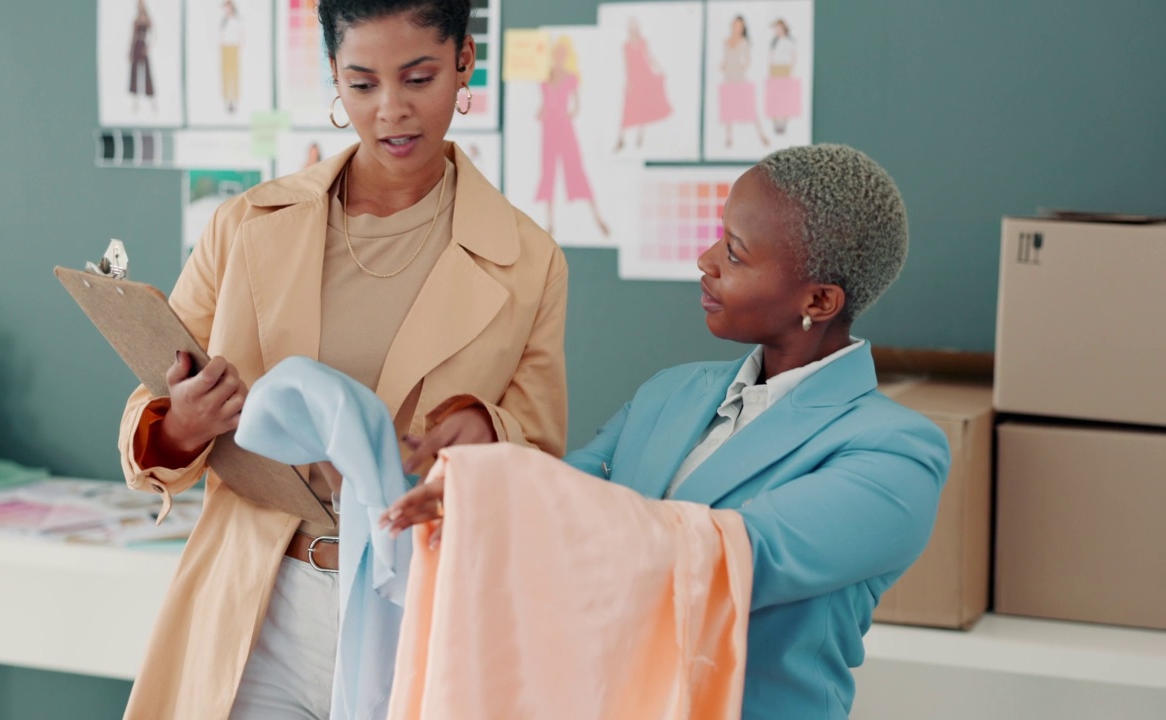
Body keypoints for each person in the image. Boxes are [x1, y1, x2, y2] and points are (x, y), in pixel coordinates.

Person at [384, 144, 950, 720]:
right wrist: (479, 493)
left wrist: (509, 495)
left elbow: (740, 556)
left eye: (734, 253)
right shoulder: (671, 392)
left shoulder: (897, 455)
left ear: (819, 300)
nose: (705, 260)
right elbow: (568, 486)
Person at [116, 0, 569, 717]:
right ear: (333, 76)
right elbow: (153, 410)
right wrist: (182, 426)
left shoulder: (528, 259)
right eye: (362, 84)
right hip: (260, 605)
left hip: (416, 603)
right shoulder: (247, 224)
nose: (392, 110)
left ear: (463, 63)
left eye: (418, 77)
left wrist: (483, 433)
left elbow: (539, 450)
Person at [535, 34, 609, 237]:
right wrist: (542, 113)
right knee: (548, 172)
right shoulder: (546, 77)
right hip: (549, 128)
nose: (559, 57)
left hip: (564, 127)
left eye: (562, 54)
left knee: (575, 168)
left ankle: (597, 217)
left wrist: (564, 113)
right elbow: (543, 104)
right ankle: (549, 225)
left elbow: (576, 106)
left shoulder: (570, 77)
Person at [614, 16, 672, 152]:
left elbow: (650, 57)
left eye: (635, 25)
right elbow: (626, 64)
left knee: (643, 107)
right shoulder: (626, 45)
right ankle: (621, 138)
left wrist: (660, 69)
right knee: (628, 108)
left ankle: (640, 136)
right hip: (634, 79)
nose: (633, 28)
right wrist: (628, 81)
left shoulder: (643, 42)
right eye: (631, 25)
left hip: (645, 77)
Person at [718, 15, 766, 148]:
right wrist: (722, 66)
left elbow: (748, 59)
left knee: (749, 106)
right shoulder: (726, 42)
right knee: (728, 109)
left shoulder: (744, 42)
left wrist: (743, 66)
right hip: (728, 77)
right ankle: (728, 137)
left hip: (739, 77)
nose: (737, 28)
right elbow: (725, 59)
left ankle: (761, 134)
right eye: (735, 25)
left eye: (740, 26)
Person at [765, 19, 800, 135]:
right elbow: (771, 57)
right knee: (775, 97)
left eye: (778, 27)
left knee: (785, 97)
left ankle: (784, 123)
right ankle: (775, 123)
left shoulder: (789, 42)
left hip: (785, 70)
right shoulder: (774, 43)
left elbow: (793, 57)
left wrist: (789, 69)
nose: (776, 30)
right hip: (775, 70)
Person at [128, 0, 156, 113]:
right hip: (136, 46)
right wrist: (130, 51)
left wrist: (149, 47)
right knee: (135, 73)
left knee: (147, 72)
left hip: (143, 46)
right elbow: (133, 36)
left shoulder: (147, 20)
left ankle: (152, 101)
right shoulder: (136, 21)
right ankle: (135, 102)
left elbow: (153, 34)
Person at [220, 0, 243, 113]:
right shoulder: (224, 21)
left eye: (227, 8)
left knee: (233, 76)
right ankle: (227, 101)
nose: (225, 10)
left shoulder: (236, 21)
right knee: (225, 76)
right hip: (225, 49)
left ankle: (234, 100)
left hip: (233, 48)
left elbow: (240, 36)